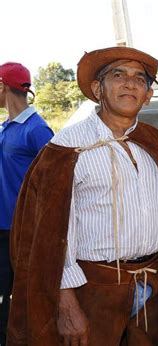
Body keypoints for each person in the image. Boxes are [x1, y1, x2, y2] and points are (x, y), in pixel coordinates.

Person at [7, 47, 158, 346]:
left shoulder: (154, 142)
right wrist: (67, 305)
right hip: (93, 291)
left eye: (140, 78)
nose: (130, 83)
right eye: (118, 75)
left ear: (148, 94)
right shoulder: (67, 146)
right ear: (98, 89)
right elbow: (46, 236)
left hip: (153, 289)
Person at [0, 62, 53, 346]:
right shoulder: (5, 127)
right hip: (2, 229)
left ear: (2, 86)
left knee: (21, 301)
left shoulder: (38, 130)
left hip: (21, 233)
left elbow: (55, 183)